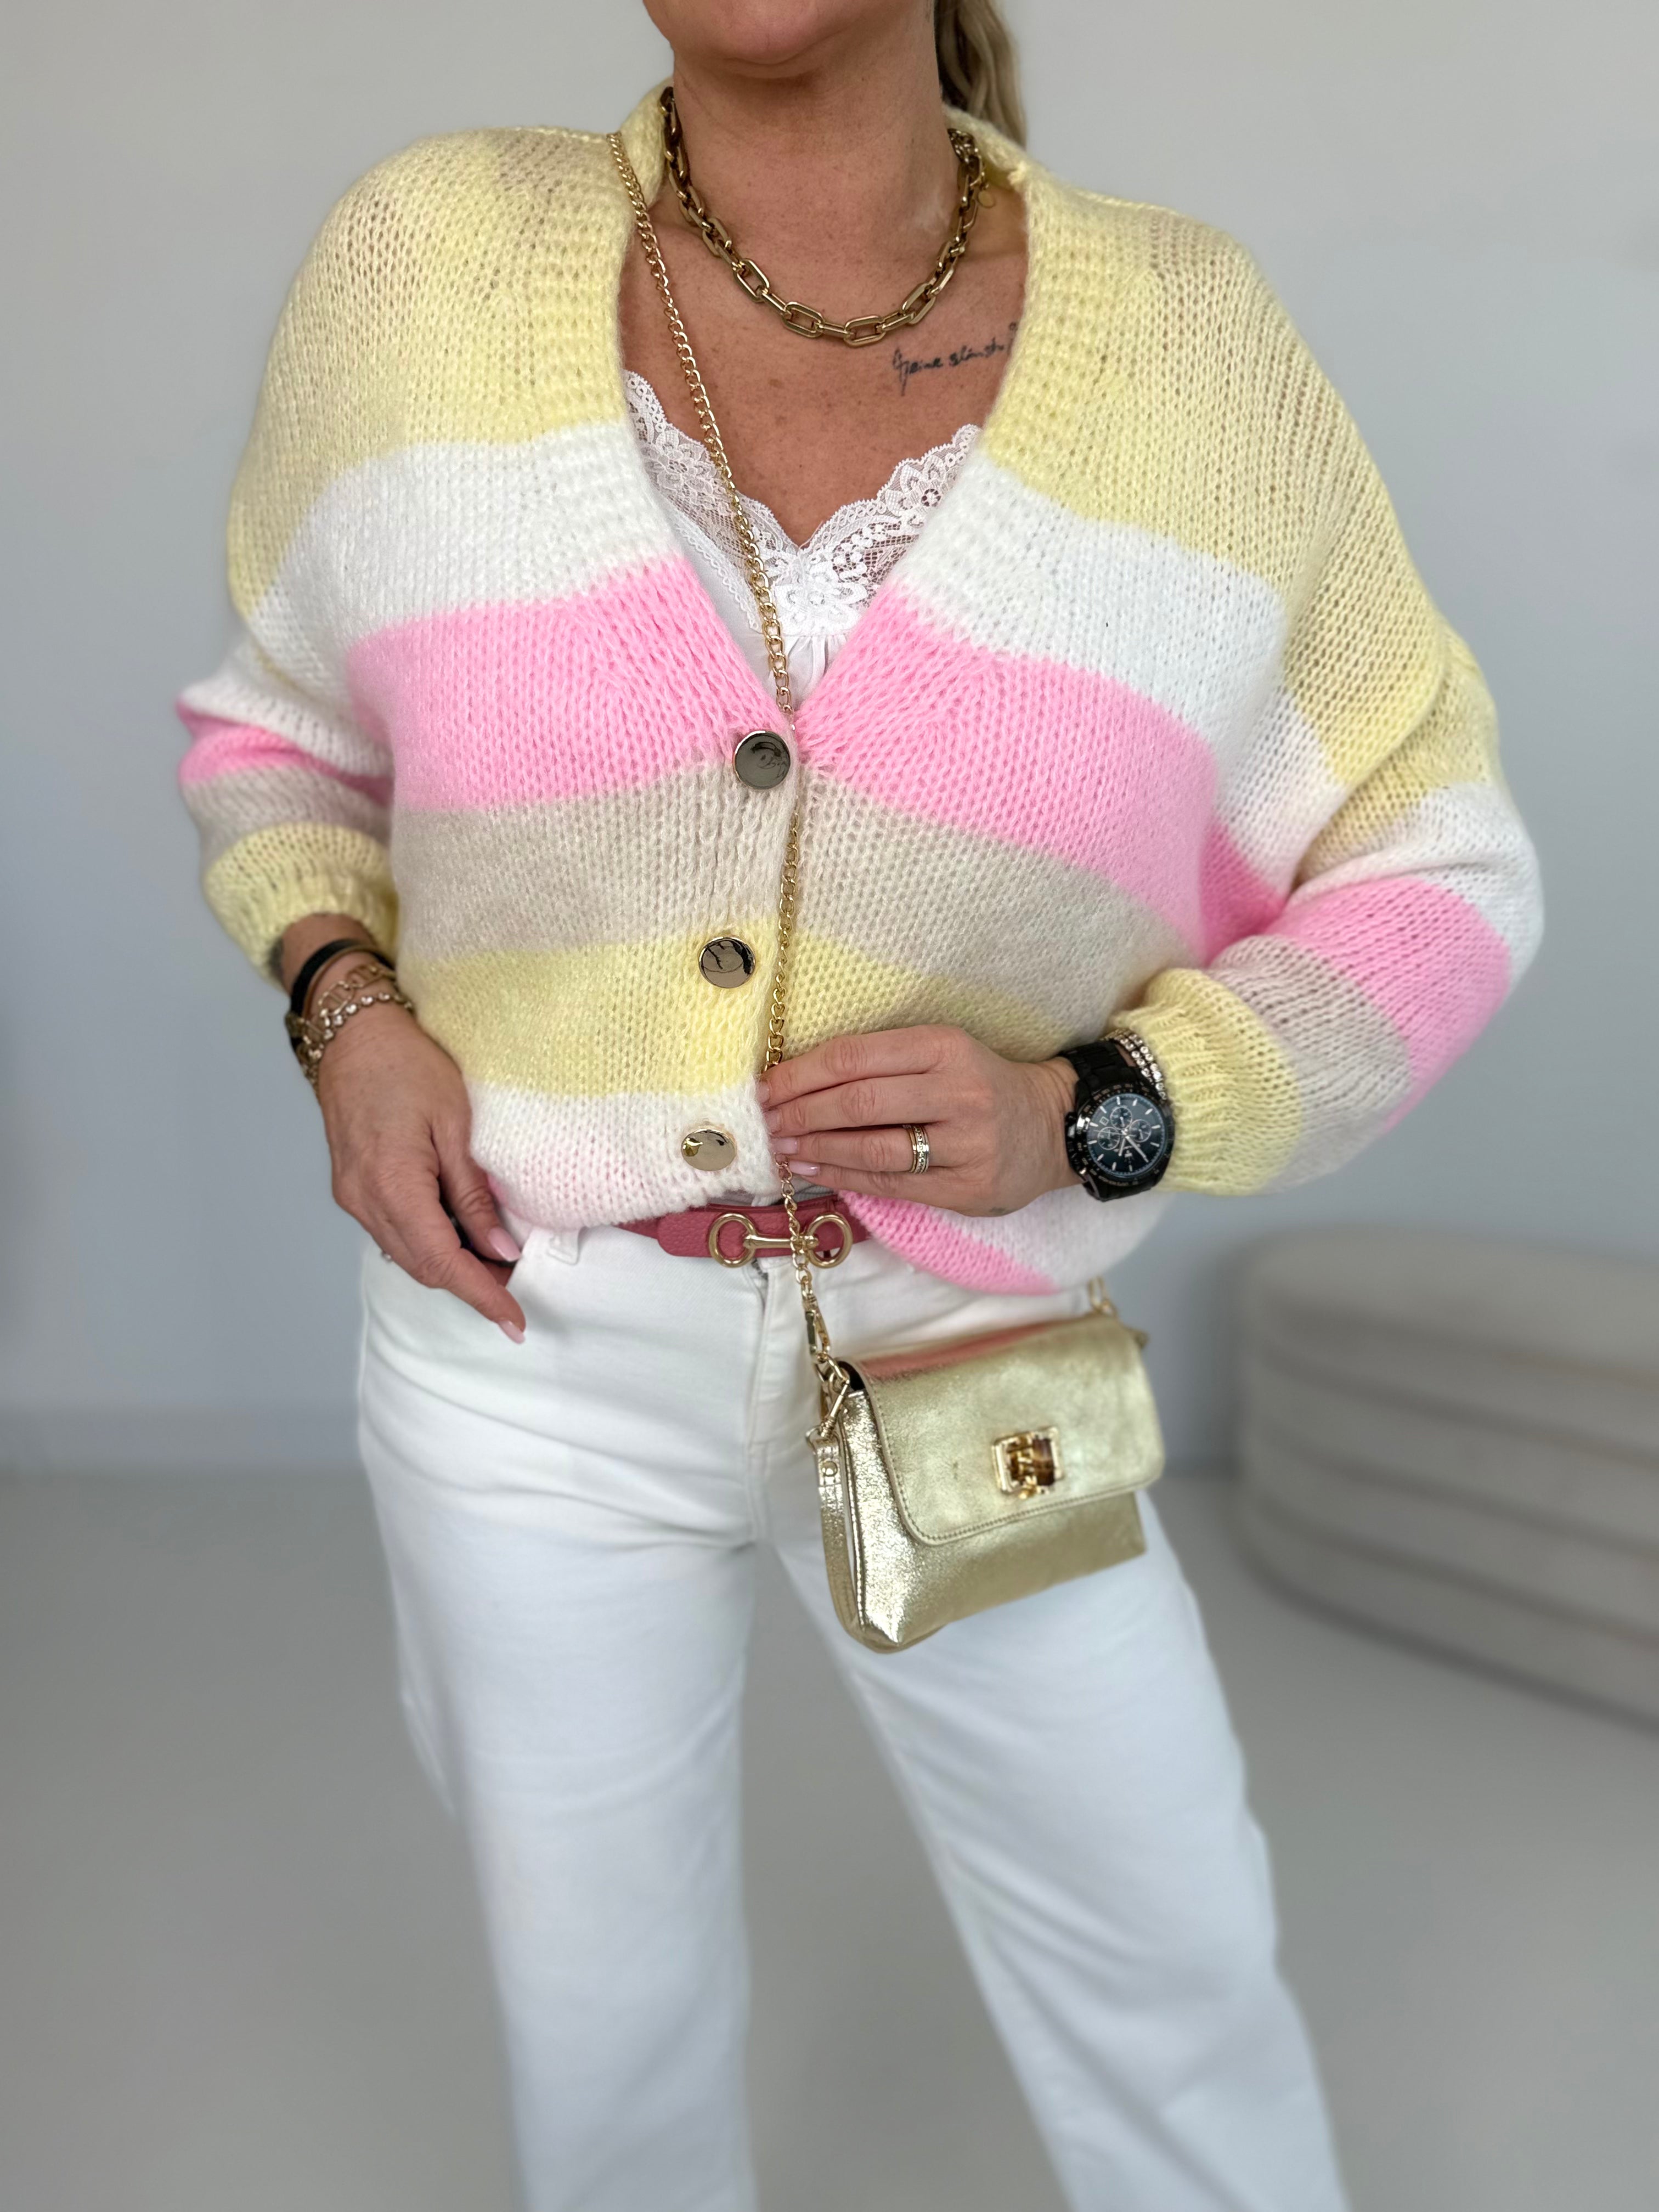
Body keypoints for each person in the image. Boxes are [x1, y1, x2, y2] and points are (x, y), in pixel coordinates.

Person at [176, 3, 1541, 2206]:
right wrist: (348, 1007)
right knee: (603, 2040)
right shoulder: (426, 264)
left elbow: (1441, 864)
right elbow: (279, 746)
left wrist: (1104, 1107)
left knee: (1173, 1976)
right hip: (528, 1346)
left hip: (968, 1343)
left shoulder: (1190, 347)